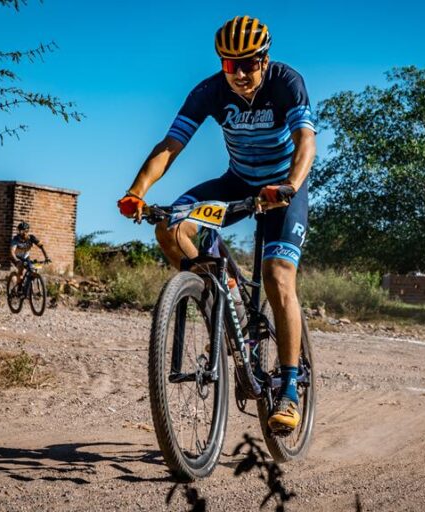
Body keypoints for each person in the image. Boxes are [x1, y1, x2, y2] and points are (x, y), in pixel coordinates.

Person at [117, 16, 316, 433]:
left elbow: (305, 142)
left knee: (277, 275)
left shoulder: (287, 82)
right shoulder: (209, 91)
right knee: (169, 228)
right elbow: (170, 146)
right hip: (236, 181)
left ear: (265, 59)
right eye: (230, 65)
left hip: (281, 189)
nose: (240, 74)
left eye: (248, 64)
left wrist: (290, 187)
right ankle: (216, 302)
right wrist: (136, 191)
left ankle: (290, 388)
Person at [9, 221, 50, 291]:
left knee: (32, 268)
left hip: (25, 257)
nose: (20, 233)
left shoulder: (31, 238)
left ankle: (29, 286)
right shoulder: (16, 239)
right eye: (19, 231)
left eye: (22, 231)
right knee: (21, 269)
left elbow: (41, 247)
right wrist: (16, 260)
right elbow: (12, 251)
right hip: (16, 257)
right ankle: (18, 288)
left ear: (27, 231)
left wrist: (46, 257)